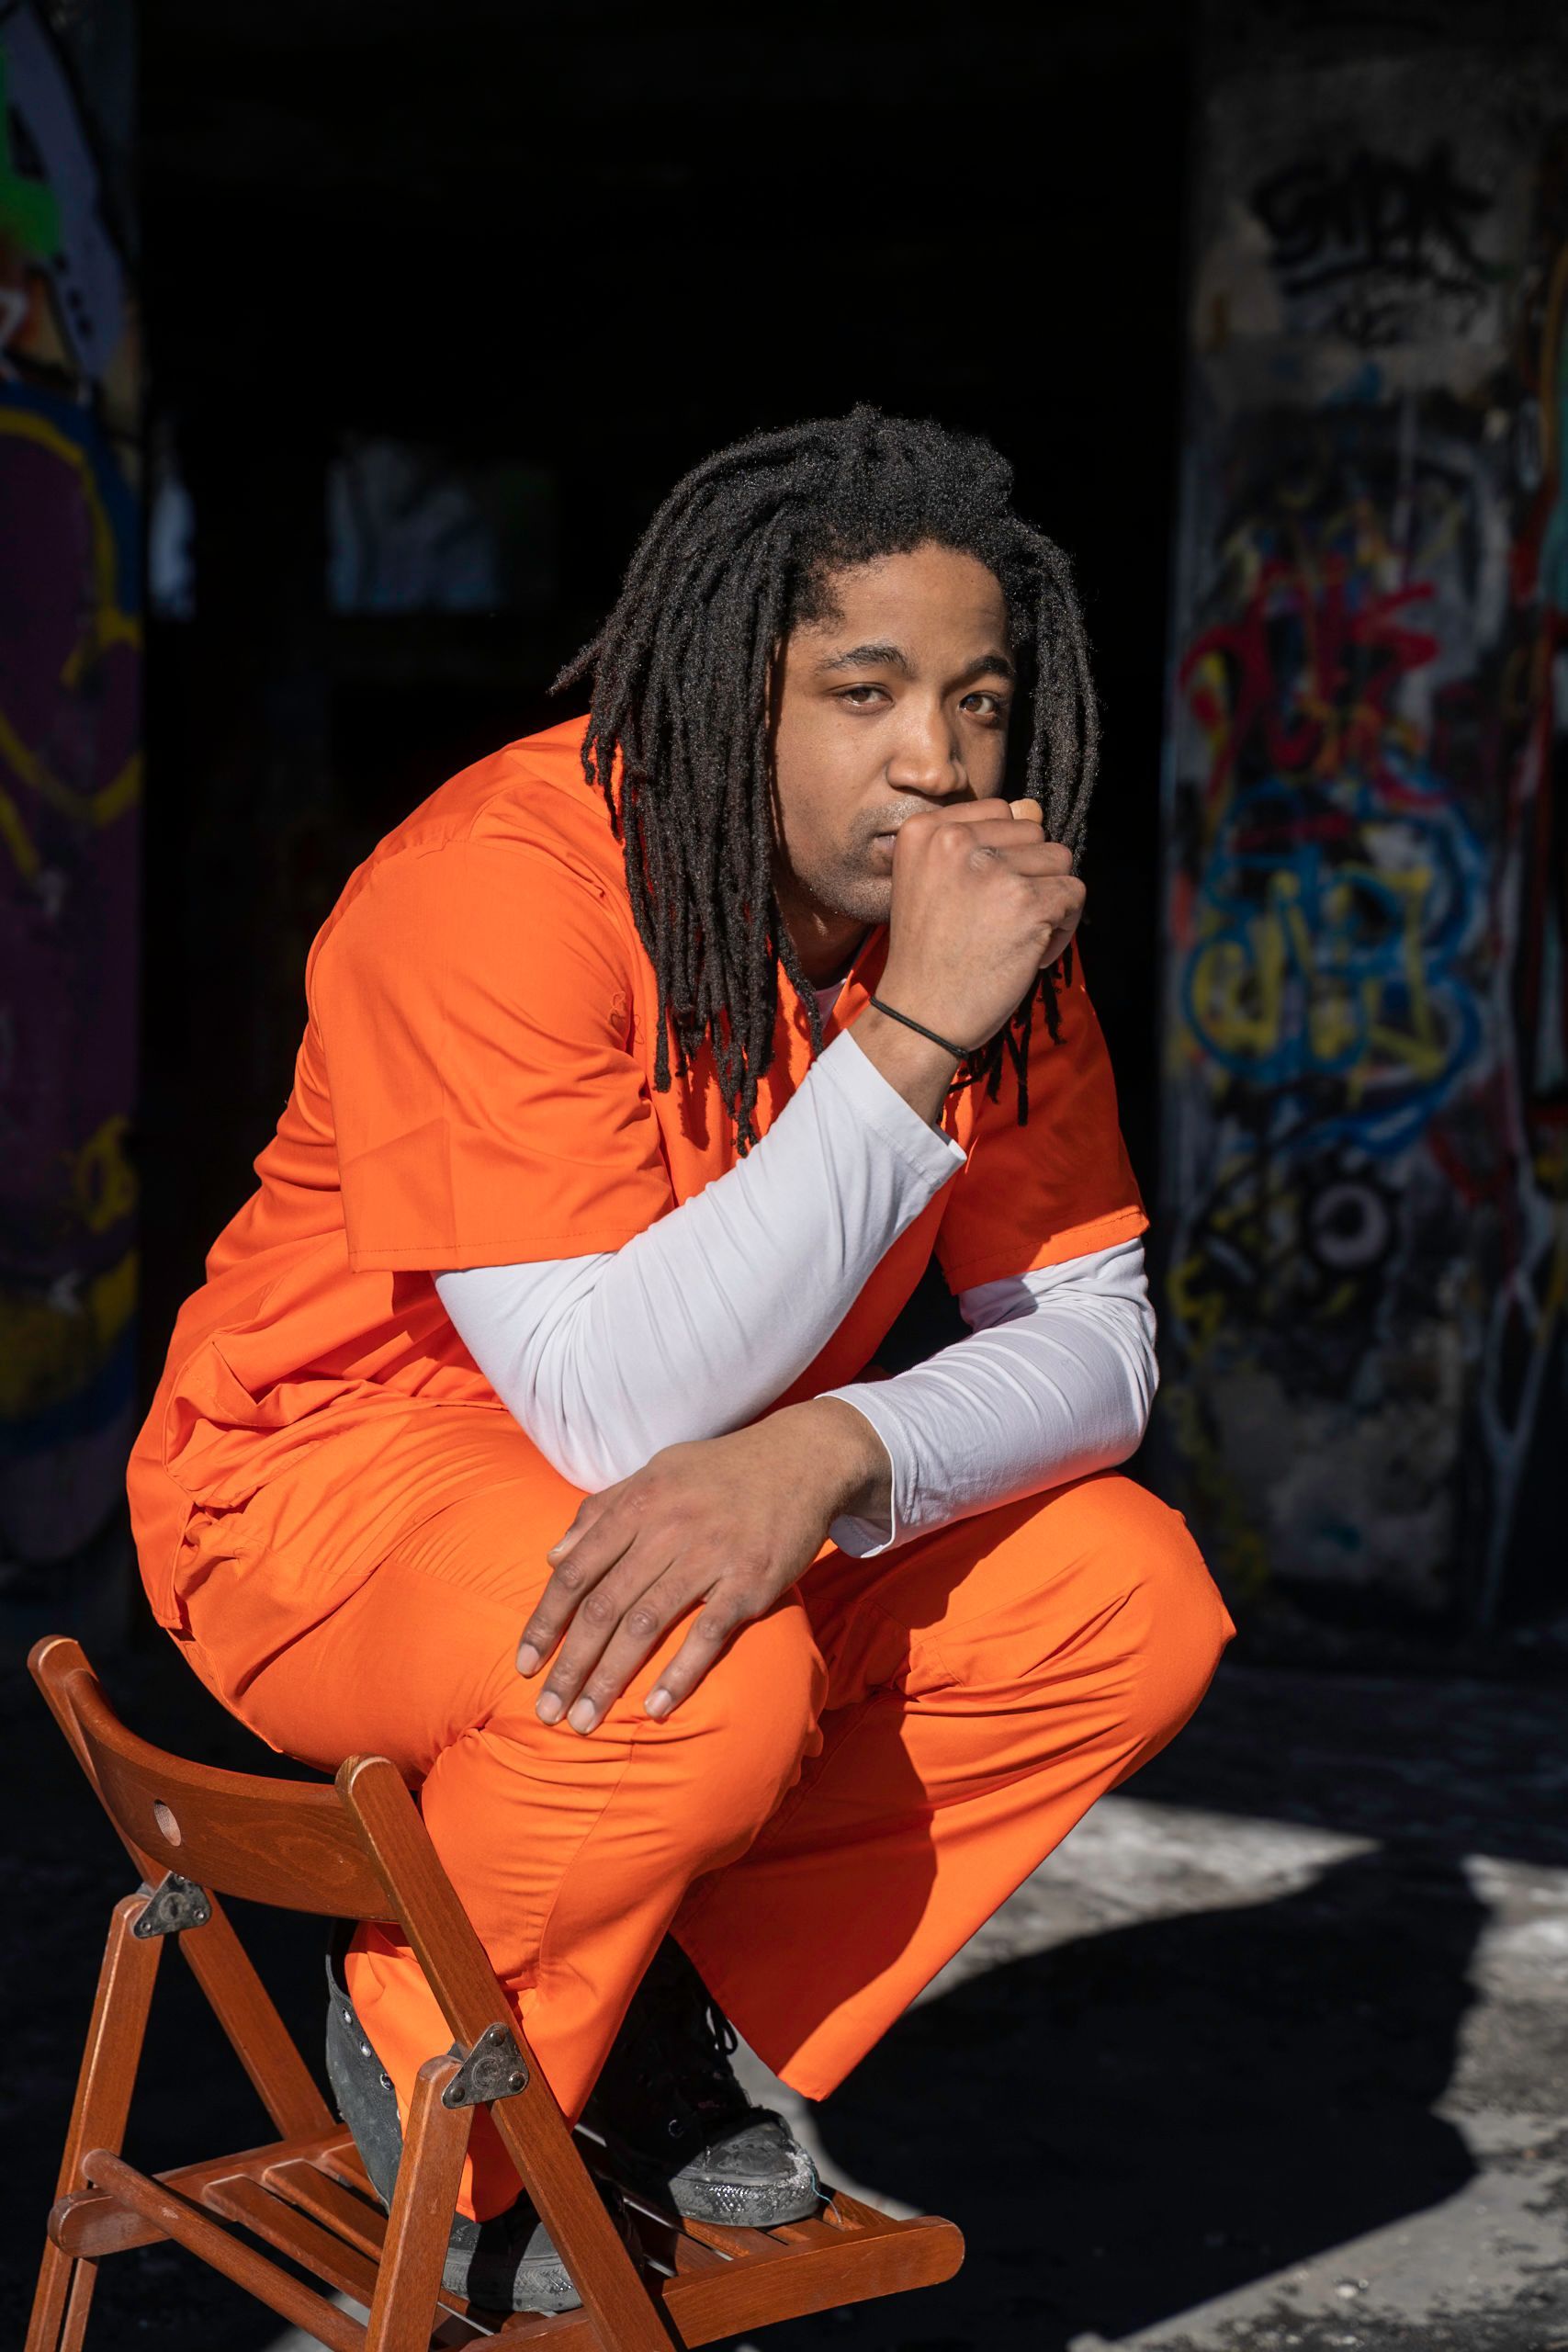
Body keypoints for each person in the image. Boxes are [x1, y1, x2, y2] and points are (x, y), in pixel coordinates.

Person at [128, 408, 1234, 2312]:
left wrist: (825, 1451)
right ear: (737, 692)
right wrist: (907, 1039)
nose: (935, 756)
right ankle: (432, 2043)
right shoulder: (501, 874)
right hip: (319, 1487)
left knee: (1126, 1591)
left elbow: (1095, 1347)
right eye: (862, 689)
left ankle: (648, 2034)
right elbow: (608, 1405)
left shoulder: (983, 929)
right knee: (692, 1665)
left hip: (683, 1480)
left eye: (977, 697)